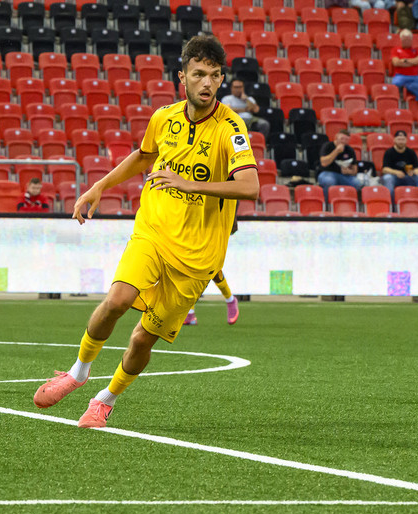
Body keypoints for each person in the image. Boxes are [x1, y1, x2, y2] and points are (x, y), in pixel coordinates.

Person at [32, 35, 259, 428]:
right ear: (182, 77)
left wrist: (192, 185)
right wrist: (98, 186)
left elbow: (250, 186)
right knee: (117, 299)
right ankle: (78, 372)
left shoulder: (230, 128)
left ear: (222, 79)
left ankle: (105, 400)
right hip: (153, 232)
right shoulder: (164, 118)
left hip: (198, 258)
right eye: (199, 74)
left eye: (214, 76)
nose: (207, 83)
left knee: (141, 339)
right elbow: (142, 157)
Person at [391, 29, 418, 109]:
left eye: (408, 39)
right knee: (396, 82)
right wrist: (412, 62)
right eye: (405, 39)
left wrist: (404, 61)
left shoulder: (415, 50)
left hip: (415, 77)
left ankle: (411, 88)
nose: (407, 41)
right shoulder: (395, 50)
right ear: (401, 40)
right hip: (401, 76)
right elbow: (396, 63)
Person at [380, 130, 418, 199]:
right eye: (399, 139)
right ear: (394, 140)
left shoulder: (411, 152)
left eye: (403, 139)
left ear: (406, 140)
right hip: (394, 177)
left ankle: (417, 200)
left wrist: (413, 172)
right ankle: (391, 204)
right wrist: (396, 172)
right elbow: (384, 169)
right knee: (387, 178)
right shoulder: (389, 152)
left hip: (407, 177)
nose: (401, 141)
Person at [317, 129, 361, 198]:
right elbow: (324, 163)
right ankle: (328, 204)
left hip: (344, 175)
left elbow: (355, 171)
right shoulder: (328, 146)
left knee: (357, 183)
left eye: (346, 140)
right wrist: (336, 151)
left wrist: (348, 171)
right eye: (342, 138)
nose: (343, 141)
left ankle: (347, 203)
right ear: (336, 137)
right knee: (329, 181)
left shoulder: (350, 150)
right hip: (327, 172)